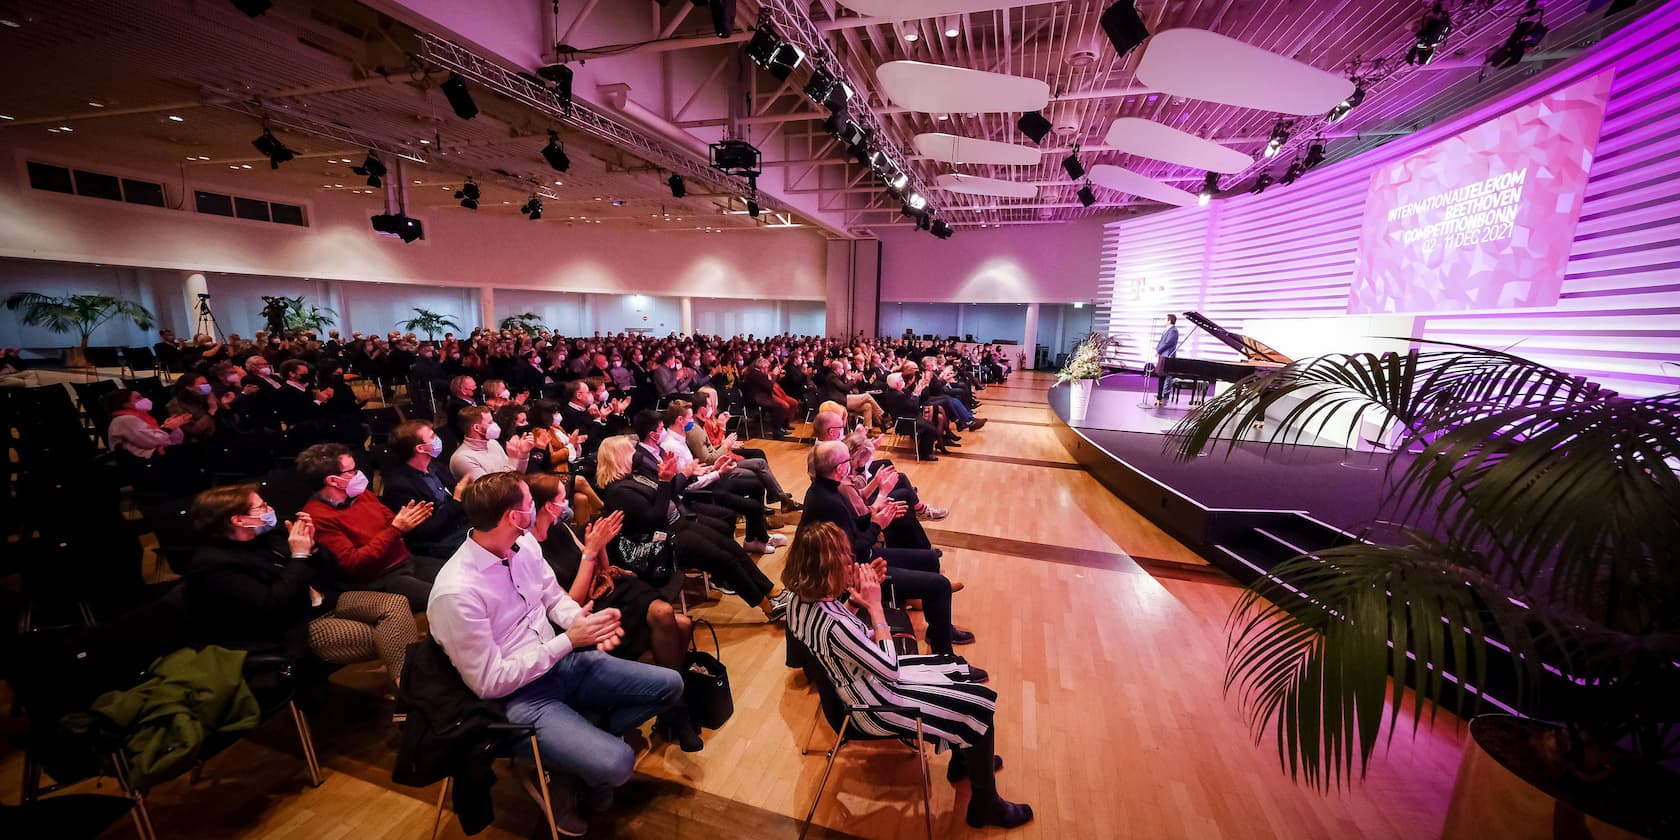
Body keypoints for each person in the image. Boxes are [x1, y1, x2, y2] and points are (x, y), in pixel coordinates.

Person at [428, 472, 684, 833]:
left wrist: (582, 622)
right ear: (514, 517)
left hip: (562, 663)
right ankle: (577, 762)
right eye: (528, 503)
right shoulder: (457, 592)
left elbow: (551, 598)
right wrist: (569, 641)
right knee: (619, 764)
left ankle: (571, 762)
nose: (536, 508)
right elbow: (489, 682)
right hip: (519, 697)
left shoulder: (524, 545)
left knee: (671, 684)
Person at [782, 523, 1031, 829]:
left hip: (858, 683)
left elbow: (839, 641)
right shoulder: (834, 628)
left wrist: (855, 598)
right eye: (845, 560)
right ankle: (986, 804)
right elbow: (889, 667)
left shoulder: (798, 601)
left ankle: (964, 762)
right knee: (978, 706)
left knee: (955, 671)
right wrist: (874, 607)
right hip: (871, 704)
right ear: (827, 571)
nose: (852, 563)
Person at [523, 474, 705, 752]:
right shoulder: (530, 549)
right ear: (548, 506)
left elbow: (600, 569)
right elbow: (570, 602)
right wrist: (592, 551)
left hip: (608, 593)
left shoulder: (560, 528)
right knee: (678, 624)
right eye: (562, 499)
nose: (567, 504)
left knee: (669, 615)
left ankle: (672, 711)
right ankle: (677, 712)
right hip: (582, 612)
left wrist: (601, 546)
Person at [183, 484, 418, 687]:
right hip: (297, 625)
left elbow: (332, 568)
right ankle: (414, 694)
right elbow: (272, 605)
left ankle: (411, 693)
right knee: (390, 637)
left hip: (326, 600)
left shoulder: (269, 536)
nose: (270, 510)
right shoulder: (213, 566)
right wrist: (299, 556)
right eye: (262, 507)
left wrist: (314, 546)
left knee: (396, 604)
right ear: (238, 519)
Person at [800, 440, 977, 660]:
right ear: (840, 468)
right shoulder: (829, 500)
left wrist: (876, 516)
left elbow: (853, 527)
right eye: (848, 460)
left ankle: (938, 631)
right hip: (853, 573)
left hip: (858, 559)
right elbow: (857, 552)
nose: (850, 464)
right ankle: (945, 655)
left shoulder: (827, 489)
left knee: (930, 560)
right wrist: (877, 525)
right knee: (939, 585)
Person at [596, 435, 789, 621]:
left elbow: (668, 493)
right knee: (724, 561)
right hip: (664, 542)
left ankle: (773, 591)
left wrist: (671, 477)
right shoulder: (618, 491)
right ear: (617, 457)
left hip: (678, 525)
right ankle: (768, 607)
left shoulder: (636, 476)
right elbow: (654, 518)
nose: (636, 454)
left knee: (730, 546)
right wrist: (664, 481)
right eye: (630, 451)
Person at [296, 443, 443, 612]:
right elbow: (353, 562)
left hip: (406, 560)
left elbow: (390, 521)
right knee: (446, 598)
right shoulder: (317, 517)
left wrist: (406, 521)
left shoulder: (362, 495)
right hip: (380, 579)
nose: (359, 474)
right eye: (351, 471)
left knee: (464, 578)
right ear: (333, 481)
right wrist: (396, 530)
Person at [379, 420, 471, 558]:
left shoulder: (436, 466)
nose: (438, 439)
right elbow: (423, 532)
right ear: (420, 448)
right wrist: (456, 501)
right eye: (432, 436)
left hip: (460, 528)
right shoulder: (399, 486)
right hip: (439, 543)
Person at [450, 405, 535, 481]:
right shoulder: (463, 459)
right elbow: (494, 492)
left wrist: (523, 455)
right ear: (477, 428)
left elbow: (517, 477)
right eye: (490, 422)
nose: (495, 424)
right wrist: (513, 459)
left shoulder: (493, 443)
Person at [103, 388, 191, 459]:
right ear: (125, 404)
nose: (144, 399)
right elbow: (152, 441)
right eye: (138, 398)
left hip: (153, 456)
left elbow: (170, 439)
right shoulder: (124, 420)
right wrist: (168, 428)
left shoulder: (141, 416)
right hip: (140, 462)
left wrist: (174, 426)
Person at [738, 355, 791, 439]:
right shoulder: (756, 375)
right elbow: (769, 387)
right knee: (778, 407)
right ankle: (777, 432)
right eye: (767, 367)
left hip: (759, 397)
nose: (767, 369)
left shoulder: (755, 372)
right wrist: (773, 375)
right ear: (762, 367)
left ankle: (779, 429)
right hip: (754, 399)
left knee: (778, 406)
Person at [1155, 312, 1180, 405]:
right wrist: (1157, 350)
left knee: (1165, 376)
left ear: (1169, 320)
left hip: (1167, 356)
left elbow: (1168, 343)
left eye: (1165, 319)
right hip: (1163, 355)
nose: (1164, 321)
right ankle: (1160, 395)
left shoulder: (1173, 330)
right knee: (1161, 376)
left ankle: (1163, 395)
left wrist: (1158, 351)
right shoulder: (1167, 329)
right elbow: (1162, 341)